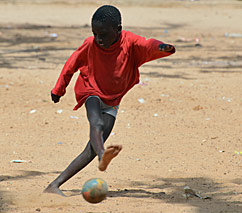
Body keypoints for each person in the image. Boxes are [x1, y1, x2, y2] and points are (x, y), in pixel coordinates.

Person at [44, 5, 175, 196]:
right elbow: (71, 64)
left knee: (90, 148)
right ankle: (101, 157)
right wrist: (58, 89)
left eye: (103, 34)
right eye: (95, 33)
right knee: (95, 123)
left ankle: (53, 186)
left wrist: (162, 48)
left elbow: (148, 45)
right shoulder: (90, 44)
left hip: (113, 98)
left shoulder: (130, 43)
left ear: (118, 29)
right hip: (91, 90)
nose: (98, 39)